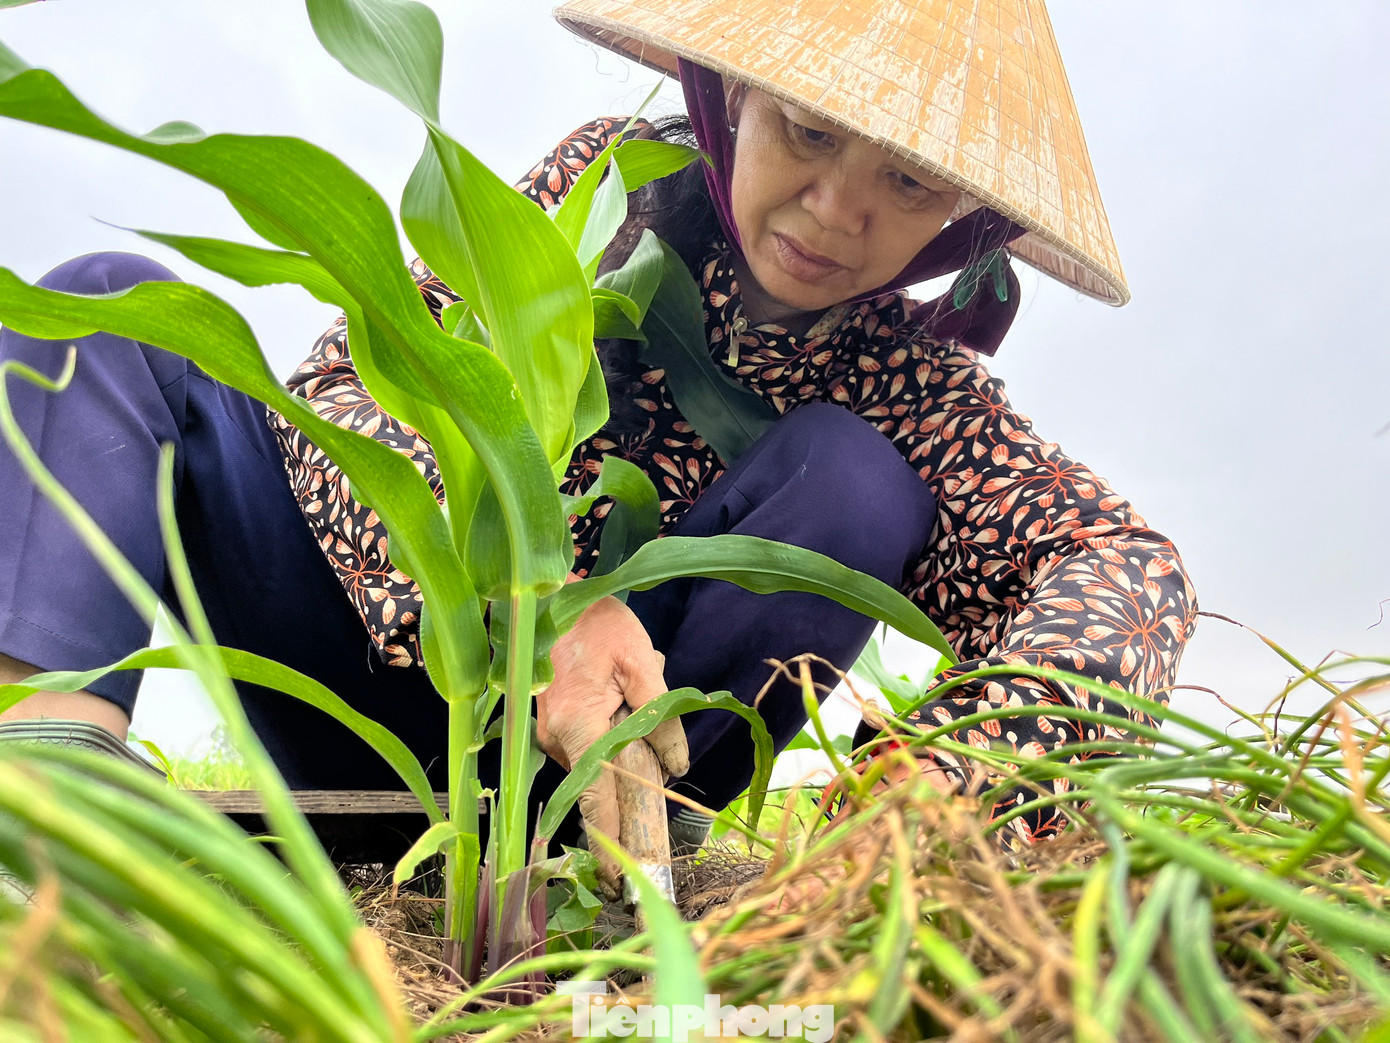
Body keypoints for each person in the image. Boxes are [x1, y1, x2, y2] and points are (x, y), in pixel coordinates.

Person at [0, 0, 1196, 884]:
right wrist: (536, 594)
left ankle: (632, 869)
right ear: (731, 97)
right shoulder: (605, 193)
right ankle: (42, 767)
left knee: (853, 474)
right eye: (809, 132)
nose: (838, 210)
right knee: (104, 302)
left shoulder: (910, 381)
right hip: (379, 684)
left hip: (622, 784)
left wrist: (954, 777)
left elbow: (1123, 567)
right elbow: (360, 390)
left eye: (907, 180)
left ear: (959, 221)